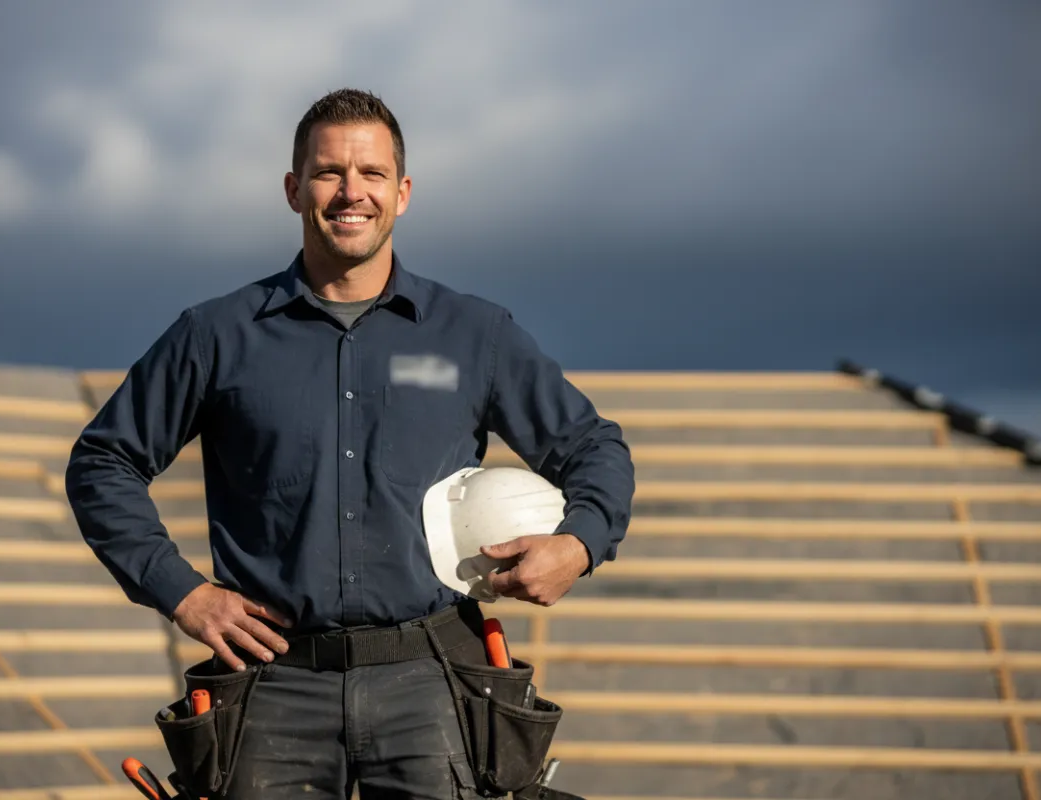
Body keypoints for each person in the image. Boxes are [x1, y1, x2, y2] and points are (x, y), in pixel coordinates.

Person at [66, 88, 635, 799]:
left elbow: (595, 449)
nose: (349, 192)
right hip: (270, 688)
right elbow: (103, 461)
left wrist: (577, 545)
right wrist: (182, 593)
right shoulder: (215, 335)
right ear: (293, 188)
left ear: (402, 192)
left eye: (370, 174)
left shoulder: (473, 334)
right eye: (330, 171)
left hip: (434, 684)